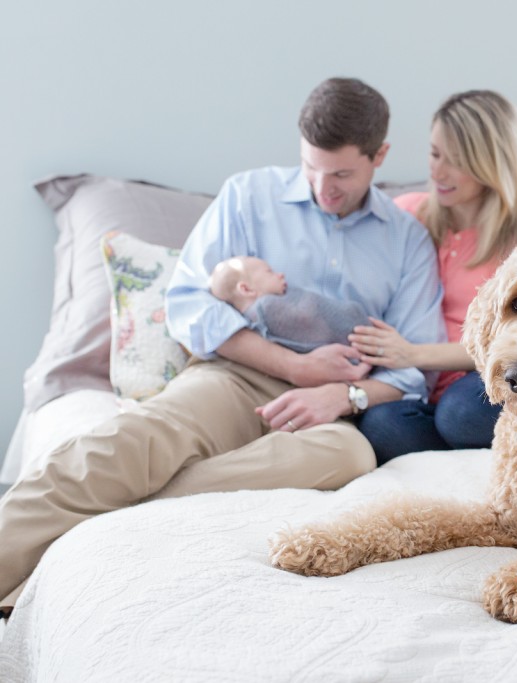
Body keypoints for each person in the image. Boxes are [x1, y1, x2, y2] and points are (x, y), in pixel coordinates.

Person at [0, 77, 446, 617]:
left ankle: (114, 514)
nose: (323, 187)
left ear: (380, 157)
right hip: (234, 375)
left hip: (329, 408)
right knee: (136, 442)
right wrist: (293, 365)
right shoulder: (248, 197)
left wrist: (343, 397)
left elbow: (413, 367)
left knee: (349, 454)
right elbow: (188, 302)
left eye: (342, 174)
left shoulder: (407, 239)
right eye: (311, 168)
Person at [350, 89, 517, 463]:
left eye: (456, 161)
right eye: (434, 153)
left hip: (481, 381)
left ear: (491, 164)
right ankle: (466, 446)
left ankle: (478, 438)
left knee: (461, 412)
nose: (438, 172)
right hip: (417, 390)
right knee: (380, 424)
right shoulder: (408, 215)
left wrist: (411, 354)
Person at [209, 255, 371, 354]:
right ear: (246, 289)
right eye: (269, 272)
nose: (281, 275)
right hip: (352, 338)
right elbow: (306, 315)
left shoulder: (251, 319)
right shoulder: (266, 308)